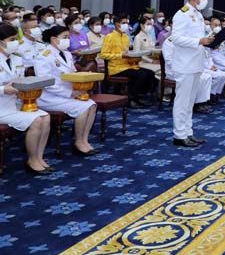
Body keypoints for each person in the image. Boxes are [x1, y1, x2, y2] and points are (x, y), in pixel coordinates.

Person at [34, 25, 98, 156]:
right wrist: (69, 93)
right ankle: (79, 142)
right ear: (54, 39)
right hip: (49, 97)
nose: (68, 40)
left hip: (68, 93)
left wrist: (82, 81)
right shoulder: (43, 55)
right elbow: (46, 83)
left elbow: (72, 73)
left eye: (68, 37)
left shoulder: (67, 53)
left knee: (91, 105)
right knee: (83, 108)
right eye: (65, 37)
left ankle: (83, 140)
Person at [0, 24, 53, 174]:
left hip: (14, 103)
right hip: (1, 107)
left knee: (45, 117)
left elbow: (20, 81)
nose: (16, 42)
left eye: (16, 39)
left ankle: (39, 157)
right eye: (12, 39)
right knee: (36, 120)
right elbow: (6, 86)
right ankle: (31, 160)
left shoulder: (16, 59)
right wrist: (4, 89)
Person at [170, 0, 214, 147]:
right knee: (182, 102)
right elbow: (177, 38)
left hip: (196, 63)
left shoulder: (198, 14)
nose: (205, 1)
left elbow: (198, 36)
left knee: (190, 102)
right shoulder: (182, 14)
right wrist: (198, 41)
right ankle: (179, 135)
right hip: (185, 64)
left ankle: (188, 132)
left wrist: (209, 39)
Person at [99, 14, 156, 107]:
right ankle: (132, 99)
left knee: (150, 73)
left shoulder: (126, 37)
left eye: (126, 22)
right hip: (116, 67)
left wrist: (133, 56)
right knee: (142, 75)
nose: (125, 25)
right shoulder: (109, 37)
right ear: (117, 24)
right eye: (123, 23)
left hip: (128, 65)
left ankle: (139, 96)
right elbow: (103, 54)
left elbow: (128, 52)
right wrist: (120, 55)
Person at [161, 35, 214, 114]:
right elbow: (169, 60)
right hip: (174, 71)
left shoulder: (187, 39)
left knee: (206, 76)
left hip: (188, 68)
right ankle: (196, 104)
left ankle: (201, 102)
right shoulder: (169, 41)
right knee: (199, 78)